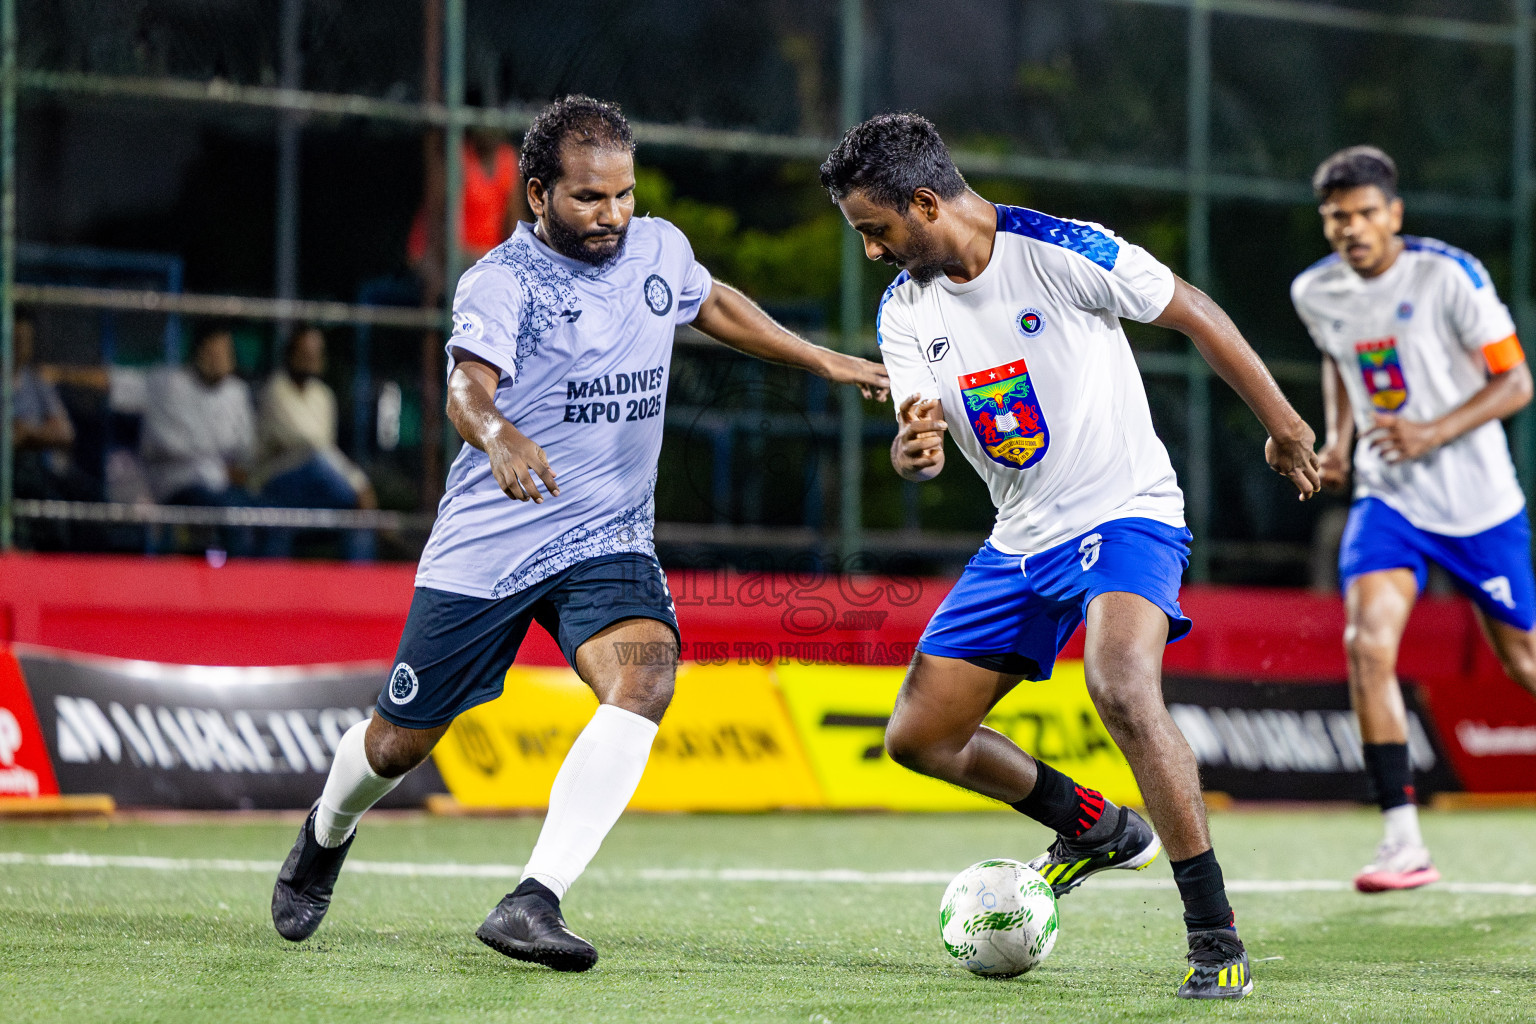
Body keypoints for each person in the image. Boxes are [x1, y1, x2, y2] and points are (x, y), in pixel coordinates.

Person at [271, 95, 889, 970]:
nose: (613, 217)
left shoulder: (656, 248)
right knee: (396, 743)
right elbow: (464, 391)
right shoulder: (500, 281)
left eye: (624, 196)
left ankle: (533, 899)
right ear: (536, 196)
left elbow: (709, 302)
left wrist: (823, 357)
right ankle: (325, 834)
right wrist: (499, 435)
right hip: (493, 541)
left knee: (644, 678)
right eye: (589, 199)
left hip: (608, 536)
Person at [820, 113, 1320, 1000]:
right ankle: (1091, 827)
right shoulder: (905, 308)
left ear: (927, 203)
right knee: (921, 738)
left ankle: (1214, 935)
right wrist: (914, 448)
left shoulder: (1060, 250)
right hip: (1019, 540)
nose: (872, 253)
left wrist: (1282, 426)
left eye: (878, 232)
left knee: (1122, 686)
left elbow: (1196, 312)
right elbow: (913, 425)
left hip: (1126, 515)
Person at [1291, 146, 1536, 893]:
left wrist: (1431, 431)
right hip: (1389, 499)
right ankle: (1402, 843)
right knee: (1367, 646)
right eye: (1338, 217)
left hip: (1479, 504)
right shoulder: (1316, 291)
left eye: (1366, 213)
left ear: (1394, 213)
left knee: (1524, 662)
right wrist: (1338, 441)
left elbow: (1516, 381)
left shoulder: (1449, 275)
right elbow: (1339, 359)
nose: (1352, 228)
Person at [254, 324, 376, 561]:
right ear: (291, 354)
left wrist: (357, 485)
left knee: (359, 518)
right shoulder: (274, 391)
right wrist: (359, 484)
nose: (312, 359)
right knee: (322, 467)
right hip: (276, 482)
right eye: (306, 353)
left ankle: (360, 589)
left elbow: (325, 450)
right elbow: (309, 444)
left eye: (316, 353)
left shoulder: (324, 396)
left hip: (316, 486)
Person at [140, 322, 257, 555]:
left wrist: (235, 468)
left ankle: (261, 586)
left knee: (266, 515)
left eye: (226, 353)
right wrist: (213, 459)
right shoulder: (171, 386)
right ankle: (233, 587)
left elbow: (246, 449)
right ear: (199, 352)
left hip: (224, 484)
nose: (221, 359)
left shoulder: (237, 391)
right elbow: (160, 445)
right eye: (214, 352)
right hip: (179, 482)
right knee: (227, 514)